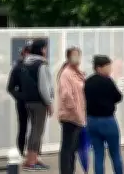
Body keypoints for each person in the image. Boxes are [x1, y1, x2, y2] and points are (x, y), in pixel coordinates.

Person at [85, 55, 124, 174]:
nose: (110, 70)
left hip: (92, 120)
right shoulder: (108, 82)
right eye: (107, 67)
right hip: (107, 121)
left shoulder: (88, 81)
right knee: (115, 154)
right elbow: (118, 97)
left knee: (98, 154)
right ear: (99, 68)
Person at [20, 39, 55, 171]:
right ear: (41, 49)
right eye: (45, 48)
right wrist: (49, 102)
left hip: (28, 101)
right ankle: (31, 161)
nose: (46, 51)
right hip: (39, 102)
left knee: (33, 130)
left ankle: (31, 159)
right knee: (37, 131)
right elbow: (44, 86)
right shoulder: (41, 64)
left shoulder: (26, 63)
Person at [57, 47, 86, 174]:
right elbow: (66, 95)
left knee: (73, 148)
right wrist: (75, 111)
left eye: (78, 55)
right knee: (67, 148)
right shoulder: (66, 73)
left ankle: (70, 170)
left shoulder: (77, 73)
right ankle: (66, 171)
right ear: (68, 57)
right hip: (70, 116)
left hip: (78, 116)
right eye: (74, 55)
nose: (77, 58)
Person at [7, 43, 31, 157]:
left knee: (36, 128)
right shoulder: (18, 67)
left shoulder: (35, 66)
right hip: (22, 103)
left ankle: (34, 153)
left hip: (35, 102)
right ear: (24, 53)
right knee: (23, 127)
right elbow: (10, 87)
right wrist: (20, 96)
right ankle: (21, 152)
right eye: (28, 52)